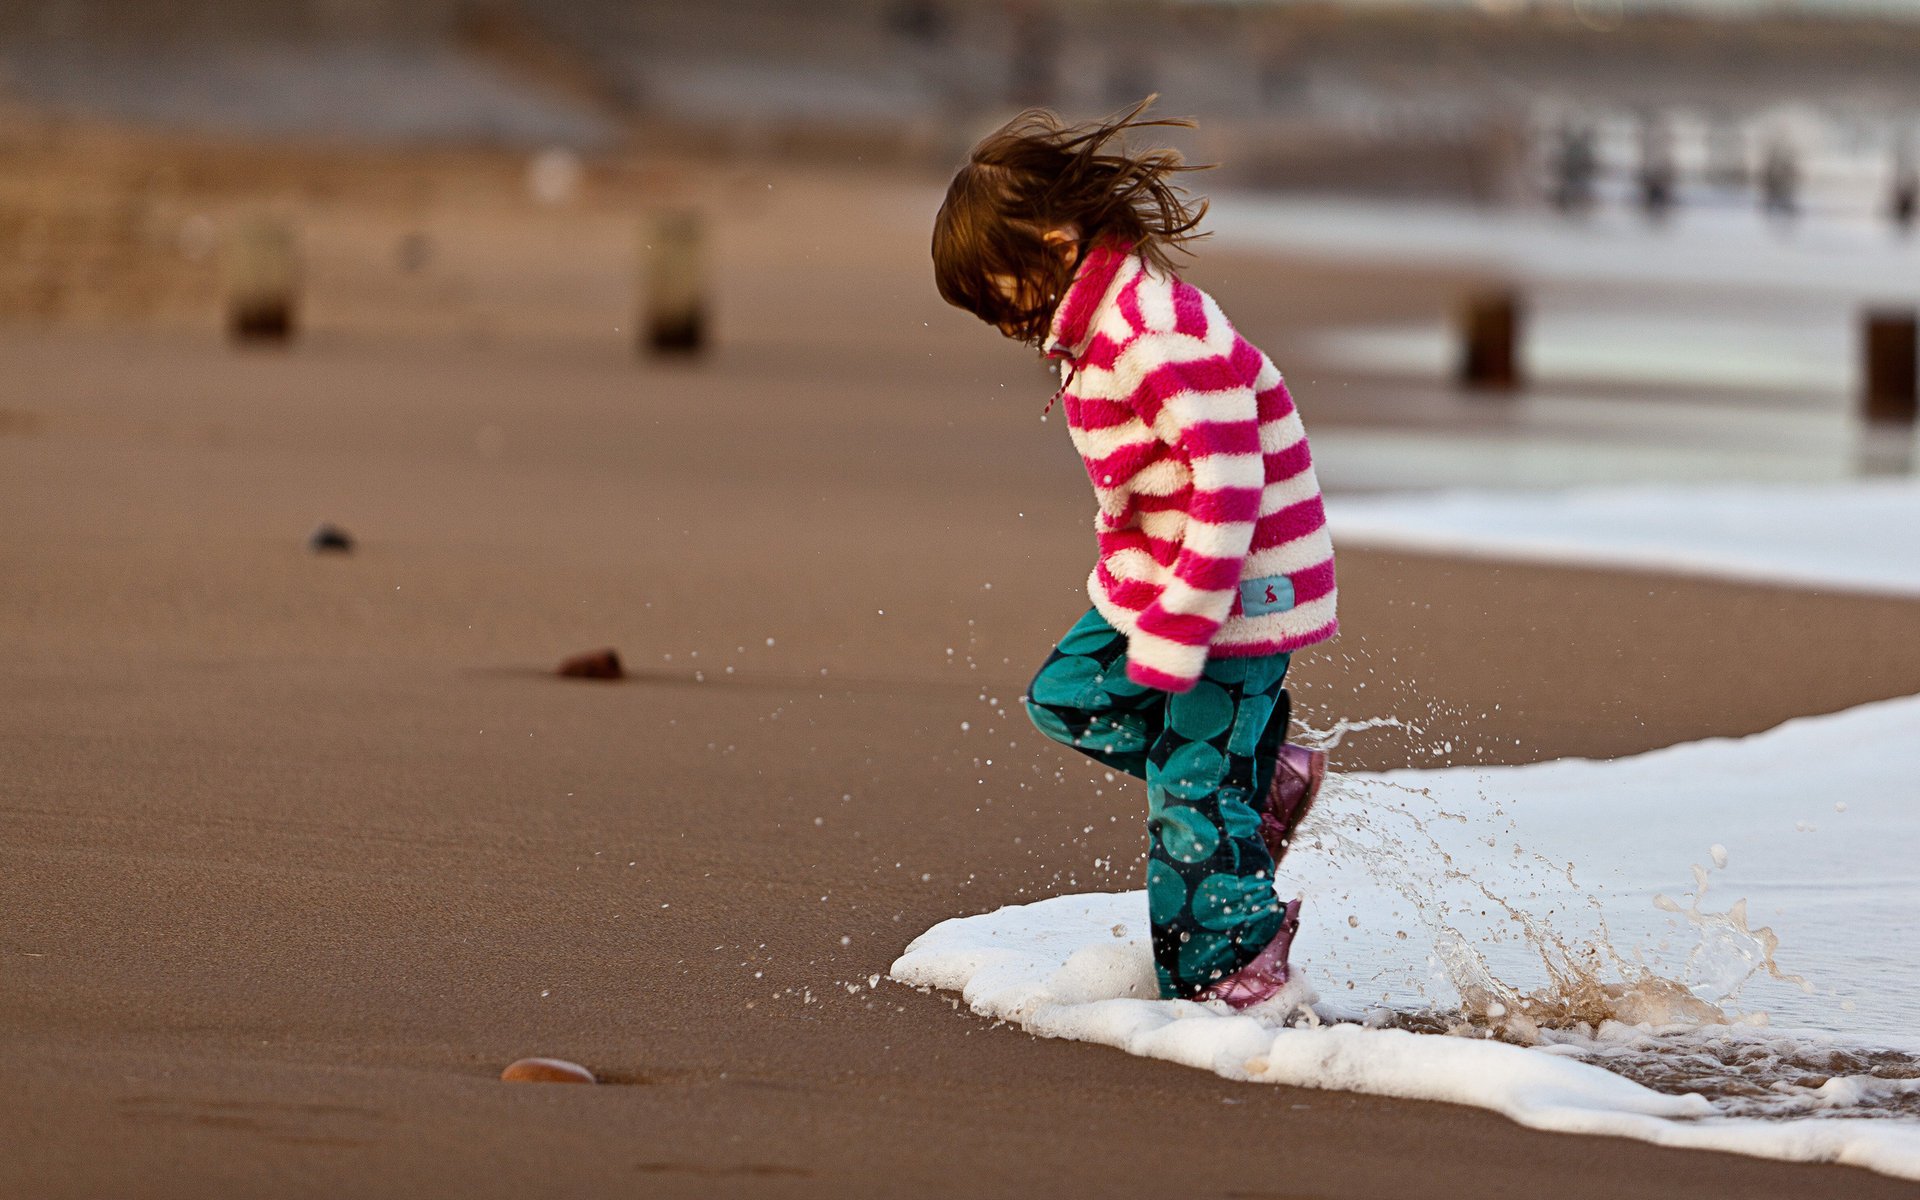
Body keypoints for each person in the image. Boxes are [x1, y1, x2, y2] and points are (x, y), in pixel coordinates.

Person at [930, 99, 1337, 1010]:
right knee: (1070, 695)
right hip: (1160, 581)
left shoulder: (1154, 334)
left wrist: (1184, 622)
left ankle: (1236, 969)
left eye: (997, 289)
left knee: (1190, 798)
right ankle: (1262, 776)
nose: (997, 316)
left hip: (1236, 593)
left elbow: (1229, 478)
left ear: (1056, 243)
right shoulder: (1096, 327)